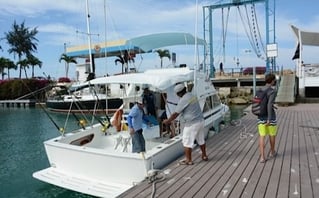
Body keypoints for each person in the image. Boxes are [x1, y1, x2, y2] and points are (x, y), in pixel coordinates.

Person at [163, 83, 208, 165]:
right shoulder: (192, 95)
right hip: (200, 121)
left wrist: (168, 121)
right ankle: (204, 156)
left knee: (187, 141)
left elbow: (175, 114)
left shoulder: (183, 99)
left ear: (179, 93)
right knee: (201, 139)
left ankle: (189, 160)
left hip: (192, 123)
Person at [258, 73, 277, 163]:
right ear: (272, 81)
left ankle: (262, 157)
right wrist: (269, 118)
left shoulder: (260, 90)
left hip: (261, 116)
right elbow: (269, 104)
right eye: (274, 80)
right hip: (270, 117)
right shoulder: (272, 91)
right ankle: (272, 152)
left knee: (262, 136)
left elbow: (261, 103)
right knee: (272, 135)